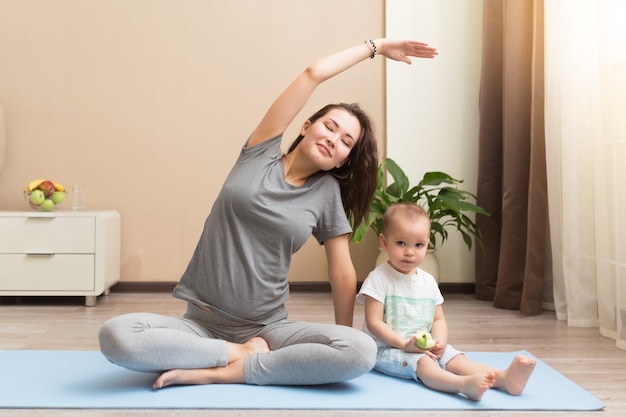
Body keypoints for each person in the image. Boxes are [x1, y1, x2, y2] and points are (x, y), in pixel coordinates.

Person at [99, 39, 439, 389]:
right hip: (198, 323)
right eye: (330, 127)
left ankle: (229, 368)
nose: (334, 139)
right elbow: (312, 74)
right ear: (306, 125)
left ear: (343, 160)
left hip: (268, 329)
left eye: (346, 142)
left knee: (360, 351)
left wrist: (341, 334)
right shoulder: (259, 152)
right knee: (116, 336)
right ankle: (237, 353)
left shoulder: (325, 194)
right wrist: (377, 46)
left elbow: (342, 272)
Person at [357, 203, 536, 401]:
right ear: (384, 242)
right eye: (401, 243)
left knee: (456, 358)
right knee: (424, 363)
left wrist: (440, 341)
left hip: (424, 346)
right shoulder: (379, 278)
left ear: (427, 244)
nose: (410, 252)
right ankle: (462, 385)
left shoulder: (428, 281)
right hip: (388, 349)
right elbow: (374, 323)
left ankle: (505, 379)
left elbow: (438, 320)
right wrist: (405, 344)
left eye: (418, 245)